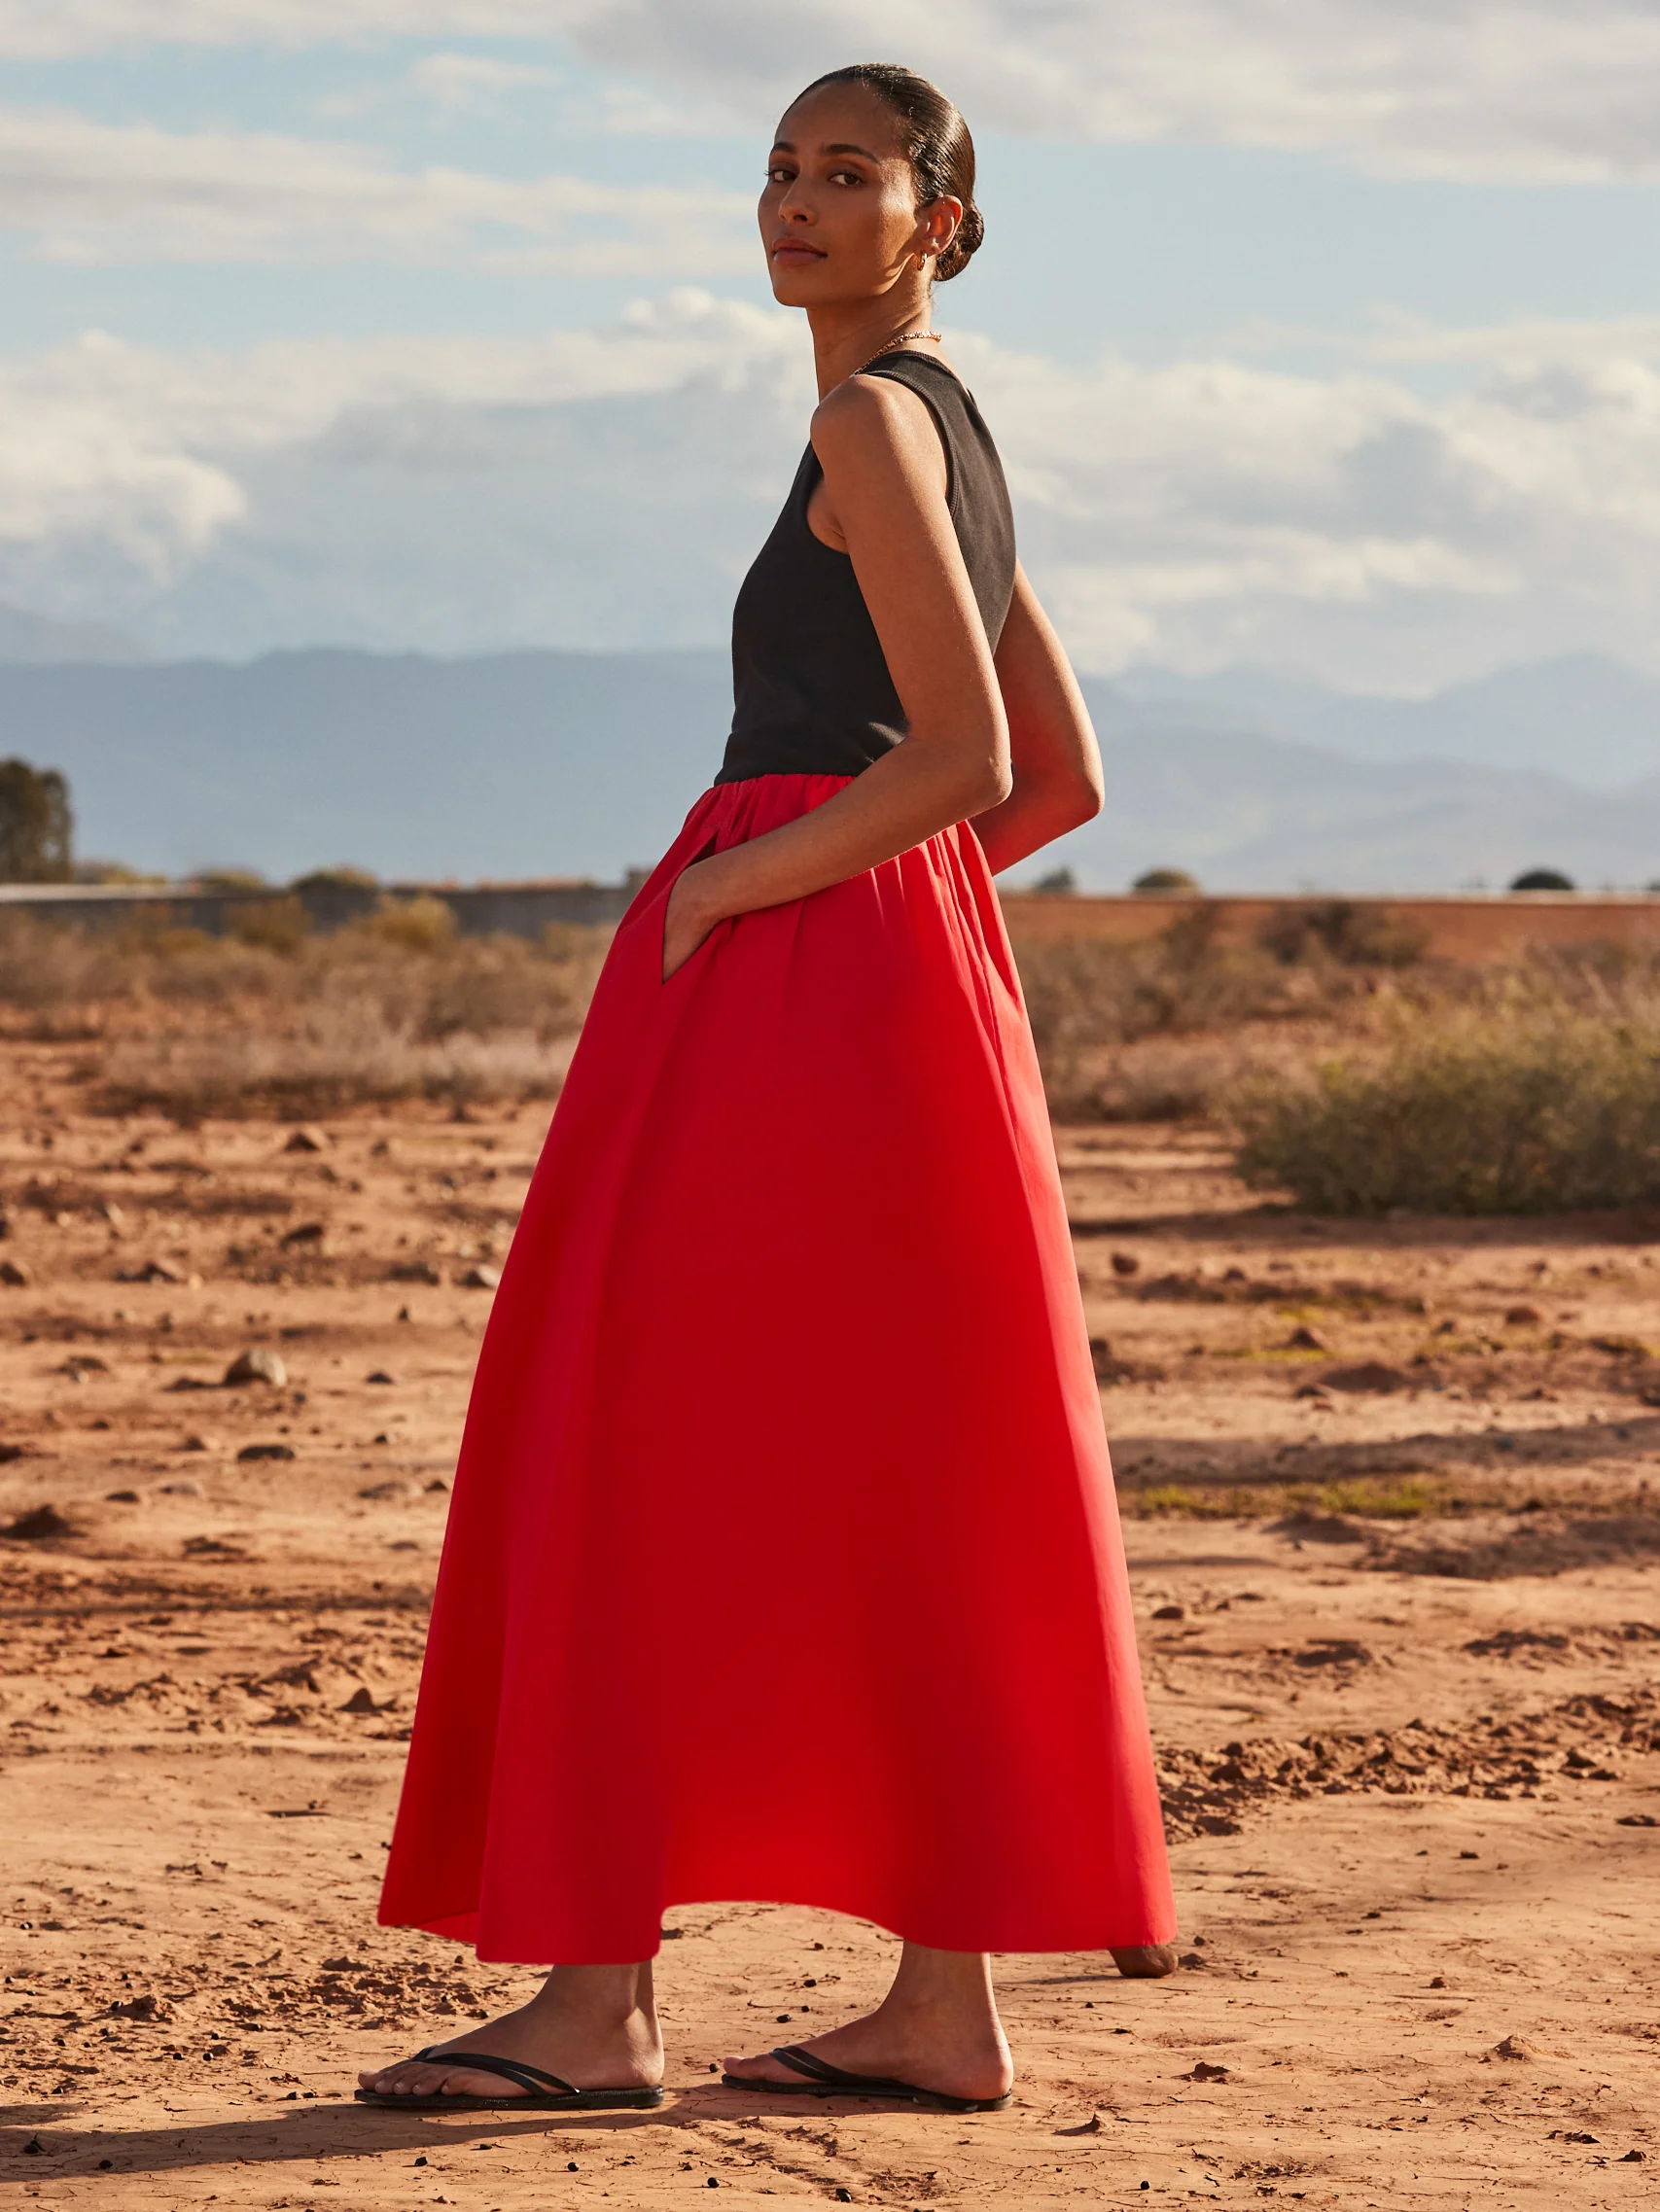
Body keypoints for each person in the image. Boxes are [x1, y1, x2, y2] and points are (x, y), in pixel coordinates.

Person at [358, 60, 1175, 2121]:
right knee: (911, 1451)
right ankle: (936, 2005)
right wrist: (878, 935)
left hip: (789, 983)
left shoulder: (863, 422)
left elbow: (971, 767)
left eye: (851, 172)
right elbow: (1061, 781)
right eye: (779, 169)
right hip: (899, 1001)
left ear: (942, 225)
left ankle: (593, 2005)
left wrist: (740, 889)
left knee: (621, 1429)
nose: (798, 202)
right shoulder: (954, 436)